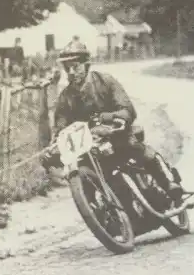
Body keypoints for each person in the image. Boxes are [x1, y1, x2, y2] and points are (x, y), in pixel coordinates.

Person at [46, 40, 184, 200]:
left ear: (86, 65)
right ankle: (98, 208)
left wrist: (109, 117)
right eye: (67, 68)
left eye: (75, 66)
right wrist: (54, 146)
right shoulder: (65, 98)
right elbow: (61, 128)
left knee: (135, 147)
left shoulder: (105, 81)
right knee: (84, 174)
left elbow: (127, 109)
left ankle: (168, 183)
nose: (71, 72)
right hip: (91, 148)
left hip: (117, 135)